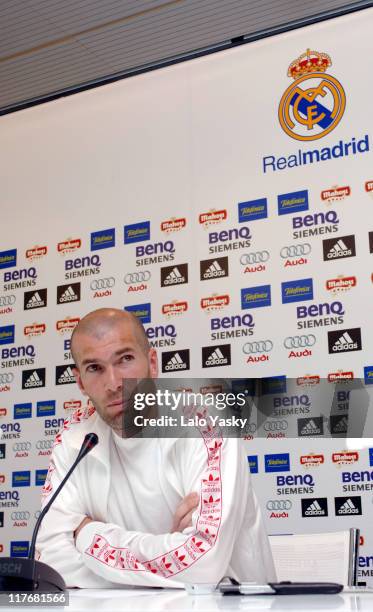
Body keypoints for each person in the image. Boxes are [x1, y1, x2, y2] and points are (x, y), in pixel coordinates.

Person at [36, 308, 276, 588]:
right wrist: (166, 563)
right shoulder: (74, 440)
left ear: (152, 363)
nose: (114, 384)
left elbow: (203, 563)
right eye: (94, 368)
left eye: (124, 359)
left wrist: (87, 535)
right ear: (80, 381)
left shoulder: (207, 424)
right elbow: (51, 562)